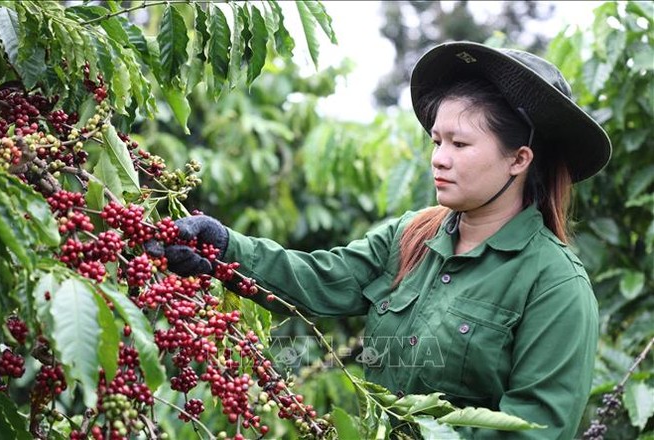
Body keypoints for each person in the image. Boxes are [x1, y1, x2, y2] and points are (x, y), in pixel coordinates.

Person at [148, 41, 612, 439]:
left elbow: (535, 428)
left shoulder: (554, 285)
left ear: (519, 159)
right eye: (436, 142)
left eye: (461, 145)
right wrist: (224, 247)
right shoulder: (410, 235)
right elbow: (320, 279)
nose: (440, 160)